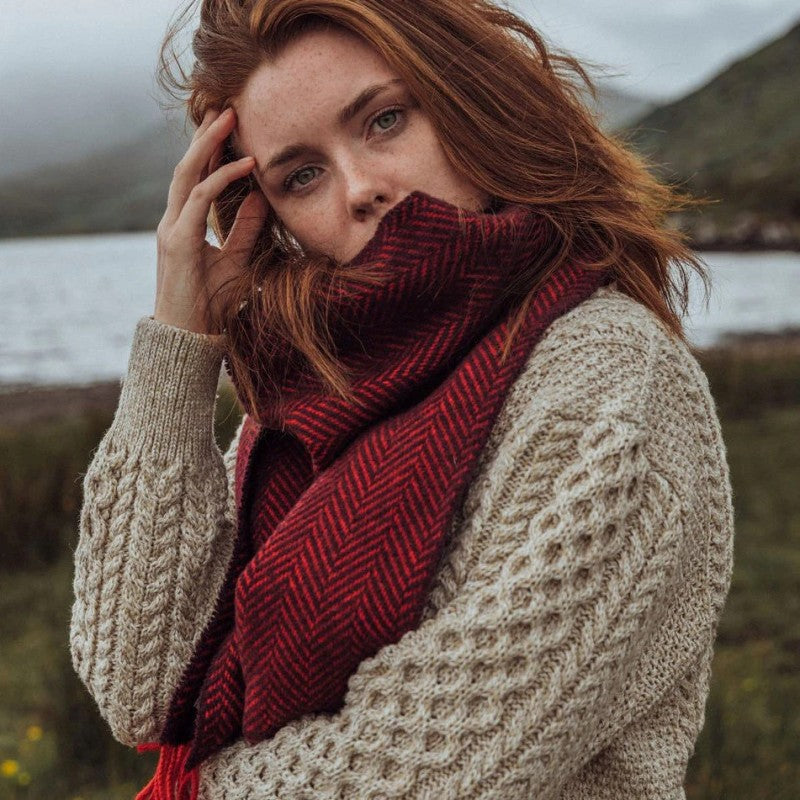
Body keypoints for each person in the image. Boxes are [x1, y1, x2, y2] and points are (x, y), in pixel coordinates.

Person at [69, 1, 735, 798]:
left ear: (463, 98)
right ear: (272, 216)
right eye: (301, 175)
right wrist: (179, 350)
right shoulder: (318, 395)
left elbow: (430, 770)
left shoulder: (611, 380)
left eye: (384, 120)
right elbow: (137, 688)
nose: (360, 189)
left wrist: (199, 787)